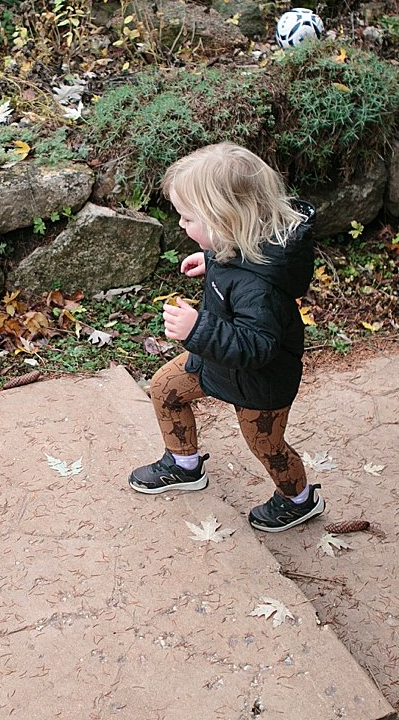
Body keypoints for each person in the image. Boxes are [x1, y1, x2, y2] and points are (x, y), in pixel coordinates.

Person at [127, 143, 323, 533]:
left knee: (266, 446)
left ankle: (298, 499)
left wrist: (197, 329)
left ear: (224, 221)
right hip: (214, 363)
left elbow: (257, 347)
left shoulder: (260, 288)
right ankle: (183, 464)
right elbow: (241, 262)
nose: (181, 225)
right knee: (165, 387)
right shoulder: (237, 247)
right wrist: (214, 259)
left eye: (187, 218)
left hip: (259, 384)